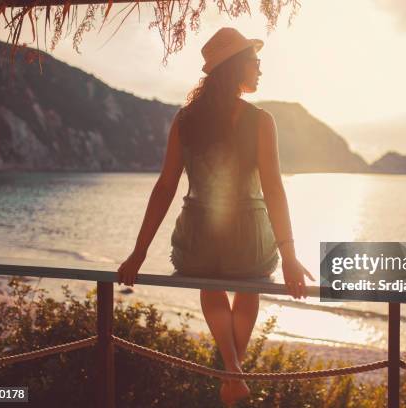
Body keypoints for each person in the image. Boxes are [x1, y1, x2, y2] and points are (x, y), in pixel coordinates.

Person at [117, 27, 314, 406]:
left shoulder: (184, 120)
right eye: (255, 62)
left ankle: (231, 371)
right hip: (249, 239)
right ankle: (232, 375)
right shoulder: (260, 120)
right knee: (250, 285)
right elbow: (273, 189)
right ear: (237, 66)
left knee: (211, 284)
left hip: (198, 238)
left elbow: (165, 188)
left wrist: (138, 252)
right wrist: (288, 254)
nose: (260, 69)